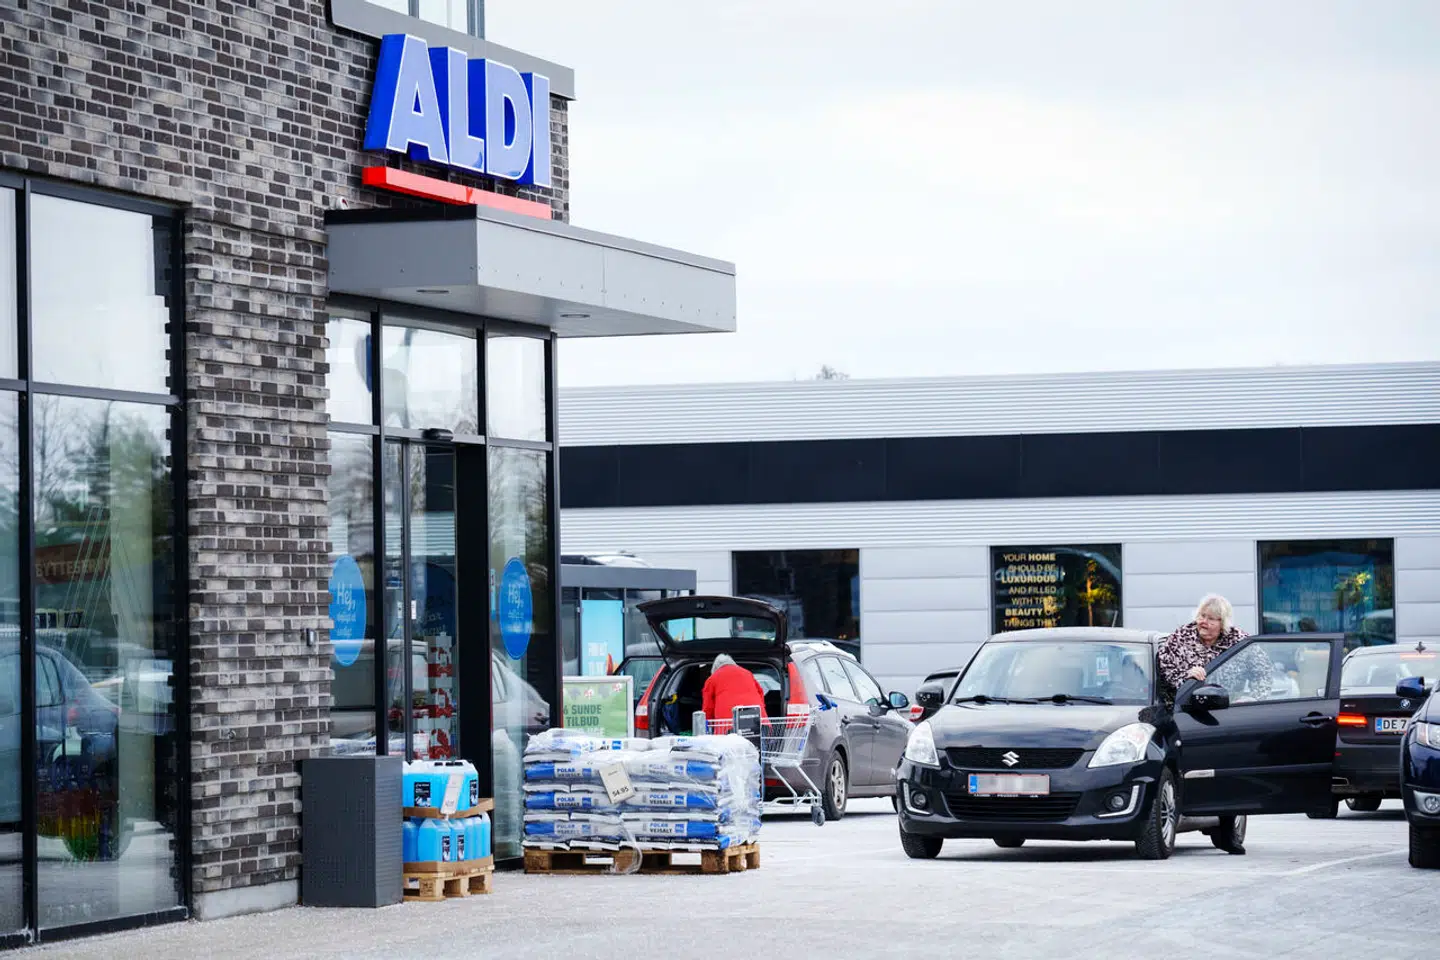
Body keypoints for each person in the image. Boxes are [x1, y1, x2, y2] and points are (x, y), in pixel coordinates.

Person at [1158, 593, 1269, 857]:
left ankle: (1227, 832)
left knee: (1228, 774)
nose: (1203, 622)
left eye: (1210, 618)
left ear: (1223, 622)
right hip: (1186, 716)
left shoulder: (1239, 641)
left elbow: (1264, 671)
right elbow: (1163, 667)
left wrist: (1252, 698)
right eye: (1201, 616)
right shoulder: (1179, 638)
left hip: (1224, 718)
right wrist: (1185, 676)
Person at [702, 653, 767, 727]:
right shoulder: (747, 673)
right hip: (758, 721)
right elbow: (761, 693)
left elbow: (708, 709)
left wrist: (706, 727)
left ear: (715, 668)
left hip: (728, 725)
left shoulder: (712, 679)